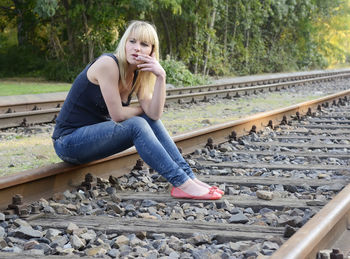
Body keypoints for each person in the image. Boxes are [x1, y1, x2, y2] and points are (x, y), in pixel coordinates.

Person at [52, 20, 223, 200]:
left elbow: (155, 114)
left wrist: (160, 77)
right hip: (68, 142)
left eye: (144, 44)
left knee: (148, 120)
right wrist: (142, 109)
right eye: (132, 41)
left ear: (152, 51)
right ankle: (181, 183)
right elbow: (117, 115)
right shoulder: (108, 64)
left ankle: (189, 178)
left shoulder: (139, 73)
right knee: (137, 124)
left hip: (93, 140)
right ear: (124, 43)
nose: (137, 48)